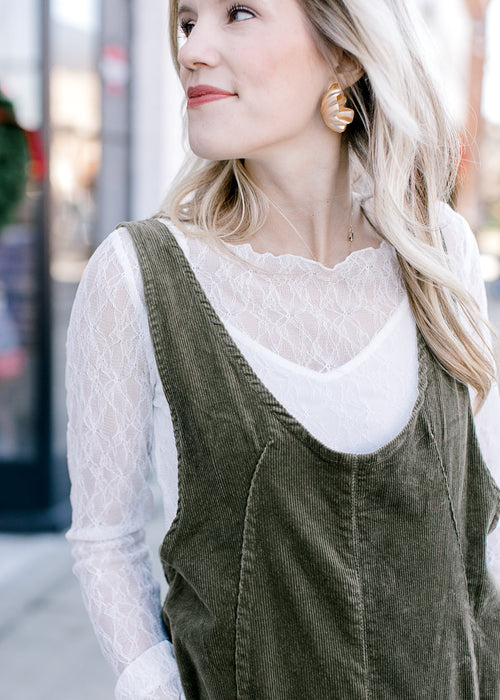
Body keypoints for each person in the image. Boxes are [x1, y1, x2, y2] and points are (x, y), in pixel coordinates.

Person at [66, 0, 500, 697]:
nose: (192, 49)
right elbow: (105, 542)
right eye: (186, 21)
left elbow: (482, 522)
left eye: (238, 13)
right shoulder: (136, 276)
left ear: (344, 52)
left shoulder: (438, 253)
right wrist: (153, 684)